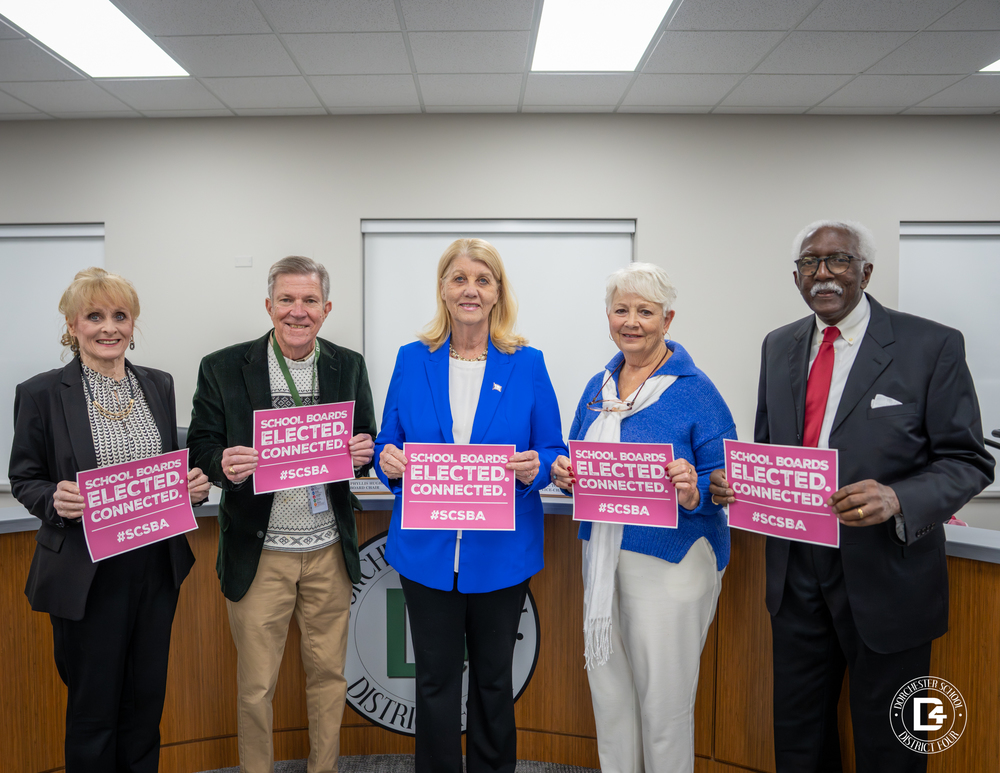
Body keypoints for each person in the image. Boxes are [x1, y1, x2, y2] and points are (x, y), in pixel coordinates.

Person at [709, 220, 994, 773]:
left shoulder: (931, 345)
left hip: (889, 574)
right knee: (799, 738)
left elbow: (968, 460)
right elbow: (772, 447)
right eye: (810, 264)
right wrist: (740, 483)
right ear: (796, 277)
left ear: (866, 270)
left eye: (838, 260)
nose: (824, 274)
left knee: (892, 745)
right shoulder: (779, 345)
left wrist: (897, 497)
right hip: (795, 576)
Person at [8, 267, 210, 773]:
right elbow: (25, 477)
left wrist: (191, 489)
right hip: (87, 574)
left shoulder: (157, 385)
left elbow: (168, 468)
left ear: (133, 323)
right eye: (94, 316)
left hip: (153, 568)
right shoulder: (41, 393)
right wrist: (55, 497)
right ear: (72, 324)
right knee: (94, 713)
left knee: (145, 706)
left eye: (120, 315)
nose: (108, 327)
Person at [375, 238, 565, 773]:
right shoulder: (413, 360)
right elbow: (389, 440)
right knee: (434, 682)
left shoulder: (527, 363)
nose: (470, 290)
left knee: (492, 680)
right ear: (442, 289)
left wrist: (537, 468)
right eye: (459, 279)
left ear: (498, 292)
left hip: (501, 553)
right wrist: (389, 461)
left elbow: (553, 450)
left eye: (483, 280)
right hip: (426, 553)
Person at [186, 256, 377, 773]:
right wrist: (221, 464)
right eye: (287, 300)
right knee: (255, 687)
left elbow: (366, 441)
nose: (298, 311)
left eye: (310, 300)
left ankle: (324, 768)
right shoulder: (223, 366)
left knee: (329, 677)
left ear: (327, 308)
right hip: (260, 548)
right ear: (268, 305)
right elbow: (201, 445)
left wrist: (364, 452)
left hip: (327, 549)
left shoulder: (348, 364)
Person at [549, 262, 736, 773]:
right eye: (621, 310)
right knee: (610, 699)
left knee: (664, 707)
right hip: (604, 558)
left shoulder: (696, 390)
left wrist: (694, 489)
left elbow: (726, 486)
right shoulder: (598, 385)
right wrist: (566, 472)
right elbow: (579, 457)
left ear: (667, 319)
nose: (632, 321)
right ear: (608, 315)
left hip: (672, 563)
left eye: (646, 312)